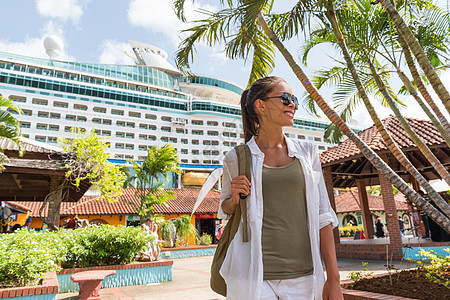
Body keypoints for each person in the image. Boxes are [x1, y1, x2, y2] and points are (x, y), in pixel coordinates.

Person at [219, 77, 342, 300]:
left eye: (294, 99)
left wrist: (334, 278)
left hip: (303, 276)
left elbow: (323, 216)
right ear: (261, 105)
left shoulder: (307, 153)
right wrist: (235, 199)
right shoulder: (236, 157)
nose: (292, 104)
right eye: (285, 98)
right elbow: (226, 208)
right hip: (250, 274)